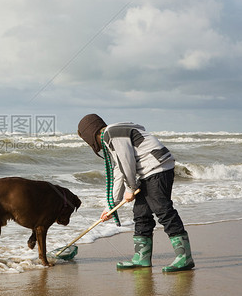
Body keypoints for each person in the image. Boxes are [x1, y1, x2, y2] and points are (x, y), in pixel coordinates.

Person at [77, 114, 194, 272]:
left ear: (91, 134)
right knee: (141, 213)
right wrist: (111, 205)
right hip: (149, 172)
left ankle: (184, 257)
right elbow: (118, 170)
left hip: (157, 168)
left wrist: (130, 189)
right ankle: (142, 257)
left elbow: (127, 162)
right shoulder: (112, 134)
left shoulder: (111, 134)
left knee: (163, 209)